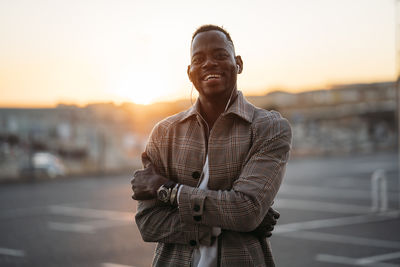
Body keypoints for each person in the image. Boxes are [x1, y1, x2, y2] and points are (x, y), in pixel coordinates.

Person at [131, 24, 292, 267]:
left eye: (220, 55)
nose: (209, 63)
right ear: (189, 72)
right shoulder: (164, 134)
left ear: (238, 63)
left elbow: (247, 211)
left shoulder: (268, 128)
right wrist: (227, 221)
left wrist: (169, 190)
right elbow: (149, 224)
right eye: (199, 59)